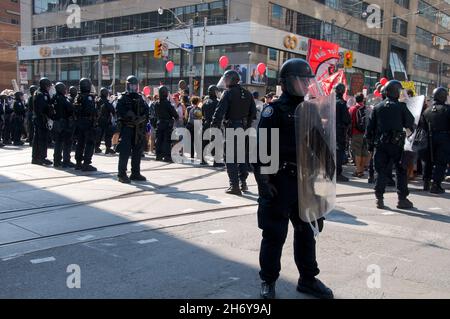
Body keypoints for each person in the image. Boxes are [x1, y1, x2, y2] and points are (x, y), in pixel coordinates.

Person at [254, 58, 333, 300]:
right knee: (274, 234)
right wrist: (263, 182)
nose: (303, 84)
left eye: (306, 80)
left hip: (305, 182)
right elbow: (262, 149)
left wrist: (328, 170)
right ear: (286, 82)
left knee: (307, 232)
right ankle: (268, 281)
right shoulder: (273, 110)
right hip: (280, 180)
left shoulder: (310, 109)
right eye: (299, 79)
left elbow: (319, 145)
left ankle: (308, 279)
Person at [365, 80, 415, 209]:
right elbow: (410, 123)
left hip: (380, 144)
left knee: (381, 171)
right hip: (396, 145)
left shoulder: (377, 107)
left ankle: (379, 199)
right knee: (401, 171)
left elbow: (369, 129)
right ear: (396, 92)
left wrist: (370, 146)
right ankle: (402, 199)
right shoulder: (401, 107)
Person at [212, 70, 257, 195]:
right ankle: (243, 182)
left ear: (231, 79)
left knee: (230, 157)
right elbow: (253, 113)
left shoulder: (228, 93)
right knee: (242, 156)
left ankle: (234, 186)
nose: (224, 81)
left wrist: (214, 126)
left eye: (226, 79)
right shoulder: (248, 93)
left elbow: (219, 111)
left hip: (232, 127)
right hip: (245, 129)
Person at [116, 75, 149, 183]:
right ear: (127, 85)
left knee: (137, 151)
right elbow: (120, 112)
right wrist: (130, 117)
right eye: (132, 85)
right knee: (125, 151)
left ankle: (135, 173)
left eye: (135, 86)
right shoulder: (123, 98)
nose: (134, 88)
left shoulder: (140, 97)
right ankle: (121, 174)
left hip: (138, 129)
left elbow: (146, 110)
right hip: (127, 128)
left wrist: (142, 118)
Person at [420, 87, 450, 194]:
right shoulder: (447, 109)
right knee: (441, 163)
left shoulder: (427, 110)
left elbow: (422, 126)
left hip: (428, 138)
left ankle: (426, 182)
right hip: (444, 138)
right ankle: (436, 185)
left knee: (427, 161)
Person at [74, 78, 97, 171]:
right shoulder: (88, 97)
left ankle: (78, 163)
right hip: (87, 123)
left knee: (80, 143)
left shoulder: (78, 97)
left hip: (79, 122)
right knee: (90, 143)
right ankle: (86, 163)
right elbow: (91, 110)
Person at [52, 82, 76, 168]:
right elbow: (70, 109)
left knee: (58, 143)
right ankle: (66, 161)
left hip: (56, 122)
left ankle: (56, 161)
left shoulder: (53, 98)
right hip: (63, 123)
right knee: (67, 142)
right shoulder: (63, 99)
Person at [31, 77, 54, 166]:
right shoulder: (40, 94)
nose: (49, 88)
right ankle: (39, 158)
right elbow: (42, 109)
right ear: (45, 85)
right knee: (40, 139)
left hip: (41, 119)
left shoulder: (43, 93)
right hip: (40, 119)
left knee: (41, 138)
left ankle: (39, 157)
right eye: (48, 86)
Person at [154, 86, 179, 162]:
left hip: (159, 123)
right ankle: (167, 156)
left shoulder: (156, 103)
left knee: (159, 140)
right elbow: (175, 114)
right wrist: (176, 117)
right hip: (167, 124)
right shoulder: (167, 104)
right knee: (167, 141)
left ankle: (158, 155)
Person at [348, 93, 370, 177]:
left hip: (356, 133)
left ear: (355, 99)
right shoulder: (368, 108)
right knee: (364, 151)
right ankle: (362, 170)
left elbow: (348, 121)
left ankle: (358, 170)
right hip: (365, 133)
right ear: (363, 99)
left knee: (357, 151)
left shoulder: (352, 109)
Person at [334, 83, 351, 182]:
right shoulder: (341, 103)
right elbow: (346, 119)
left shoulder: (331, 101)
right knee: (339, 152)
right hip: (339, 131)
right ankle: (338, 173)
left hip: (331, 130)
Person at [95, 87, 116, 155]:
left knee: (99, 135)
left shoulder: (97, 101)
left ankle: (96, 147)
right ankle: (107, 148)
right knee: (108, 135)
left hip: (98, 121)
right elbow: (112, 110)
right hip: (106, 121)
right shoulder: (106, 102)